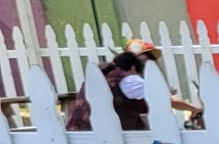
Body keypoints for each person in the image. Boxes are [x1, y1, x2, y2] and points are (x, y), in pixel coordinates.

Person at [63, 38, 203, 132]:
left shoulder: (106, 72)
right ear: (137, 62)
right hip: (103, 131)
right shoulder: (128, 79)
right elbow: (165, 99)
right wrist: (193, 109)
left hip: (83, 127)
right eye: (147, 59)